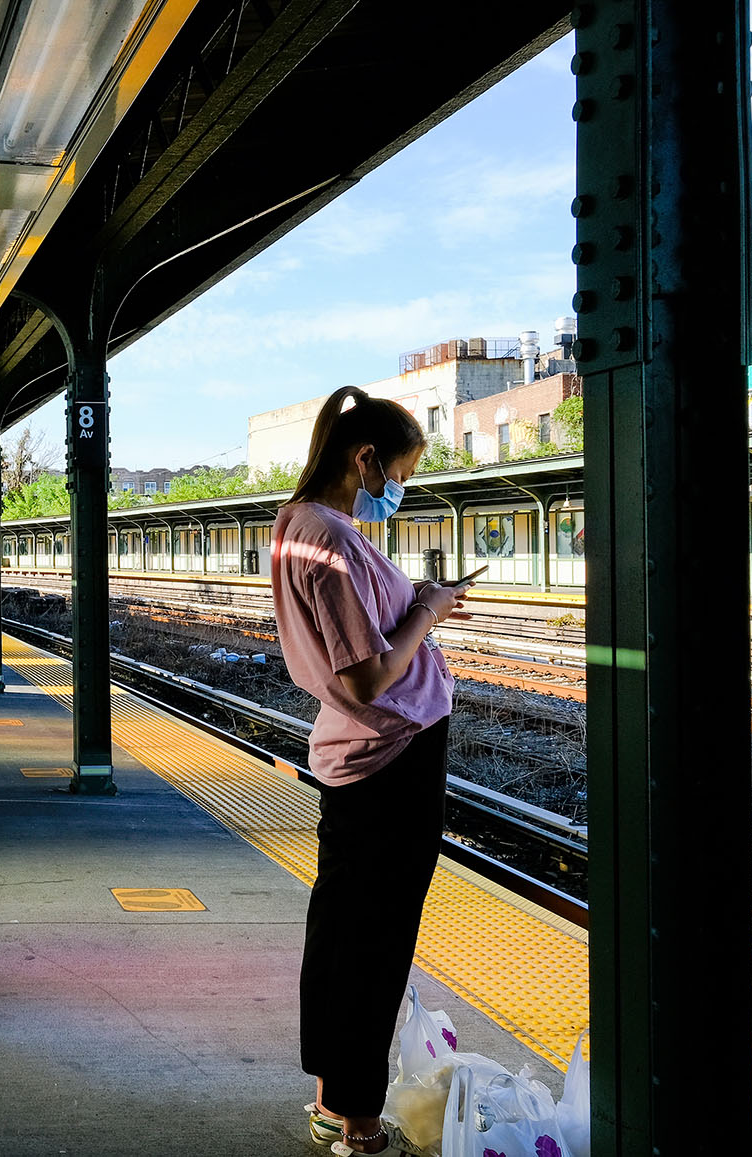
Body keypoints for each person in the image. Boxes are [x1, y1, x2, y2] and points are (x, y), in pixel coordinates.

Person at [270, 386, 474, 1155]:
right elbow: (363, 677)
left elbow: (361, 634)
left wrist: (419, 599)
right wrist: (429, 613)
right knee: (373, 943)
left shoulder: (308, 526)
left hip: (370, 757)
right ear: (365, 459)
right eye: (401, 473)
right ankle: (357, 1123)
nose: (400, 488)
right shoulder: (325, 537)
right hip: (387, 761)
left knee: (345, 932)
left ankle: (336, 1102)